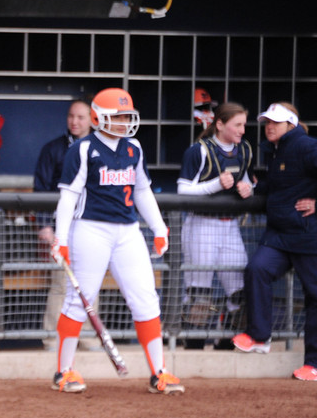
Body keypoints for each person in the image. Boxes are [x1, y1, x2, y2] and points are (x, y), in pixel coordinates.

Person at [50, 87, 184, 395]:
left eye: (127, 116)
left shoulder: (133, 147)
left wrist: (160, 227)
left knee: (146, 298)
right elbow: (68, 196)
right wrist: (61, 238)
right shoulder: (83, 149)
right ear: (99, 118)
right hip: (90, 229)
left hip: (128, 230)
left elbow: (142, 190)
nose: (124, 122)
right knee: (78, 300)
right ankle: (63, 371)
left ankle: (158, 372)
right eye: (117, 116)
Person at [233, 102, 317, 382]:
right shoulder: (276, 150)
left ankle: (314, 363)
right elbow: (276, 184)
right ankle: (259, 337)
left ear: (291, 125)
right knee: (257, 269)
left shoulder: (305, 145)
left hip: (308, 236)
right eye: (267, 121)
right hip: (280, 234)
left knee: (315, 296)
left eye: (276, 122)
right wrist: (253, 187)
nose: (269, 126)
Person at [176, 102, 254, 347]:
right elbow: (182, 190)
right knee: (200, 291)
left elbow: (248, 181)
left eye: (243, 124)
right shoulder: (199, 150)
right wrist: (216, 185)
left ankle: (229, 342)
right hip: (202, 223)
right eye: (237, 124)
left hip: (229, 225)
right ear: (219, 125)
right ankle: (193, 344)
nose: (242, 130)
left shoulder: (244, 150)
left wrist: (249, 188)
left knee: (240, 289)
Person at [34, 100, 92, 337]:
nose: (74, 122)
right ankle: (52, 339)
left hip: (91, 225)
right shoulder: (53, 148)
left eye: (80, 117)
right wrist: (45, 225)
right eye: (71, 116)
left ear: (92, 119)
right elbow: (41, 190)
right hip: (62, 226)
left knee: (89, 284)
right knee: (60, 284)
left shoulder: (100, 147)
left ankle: (87, 339)